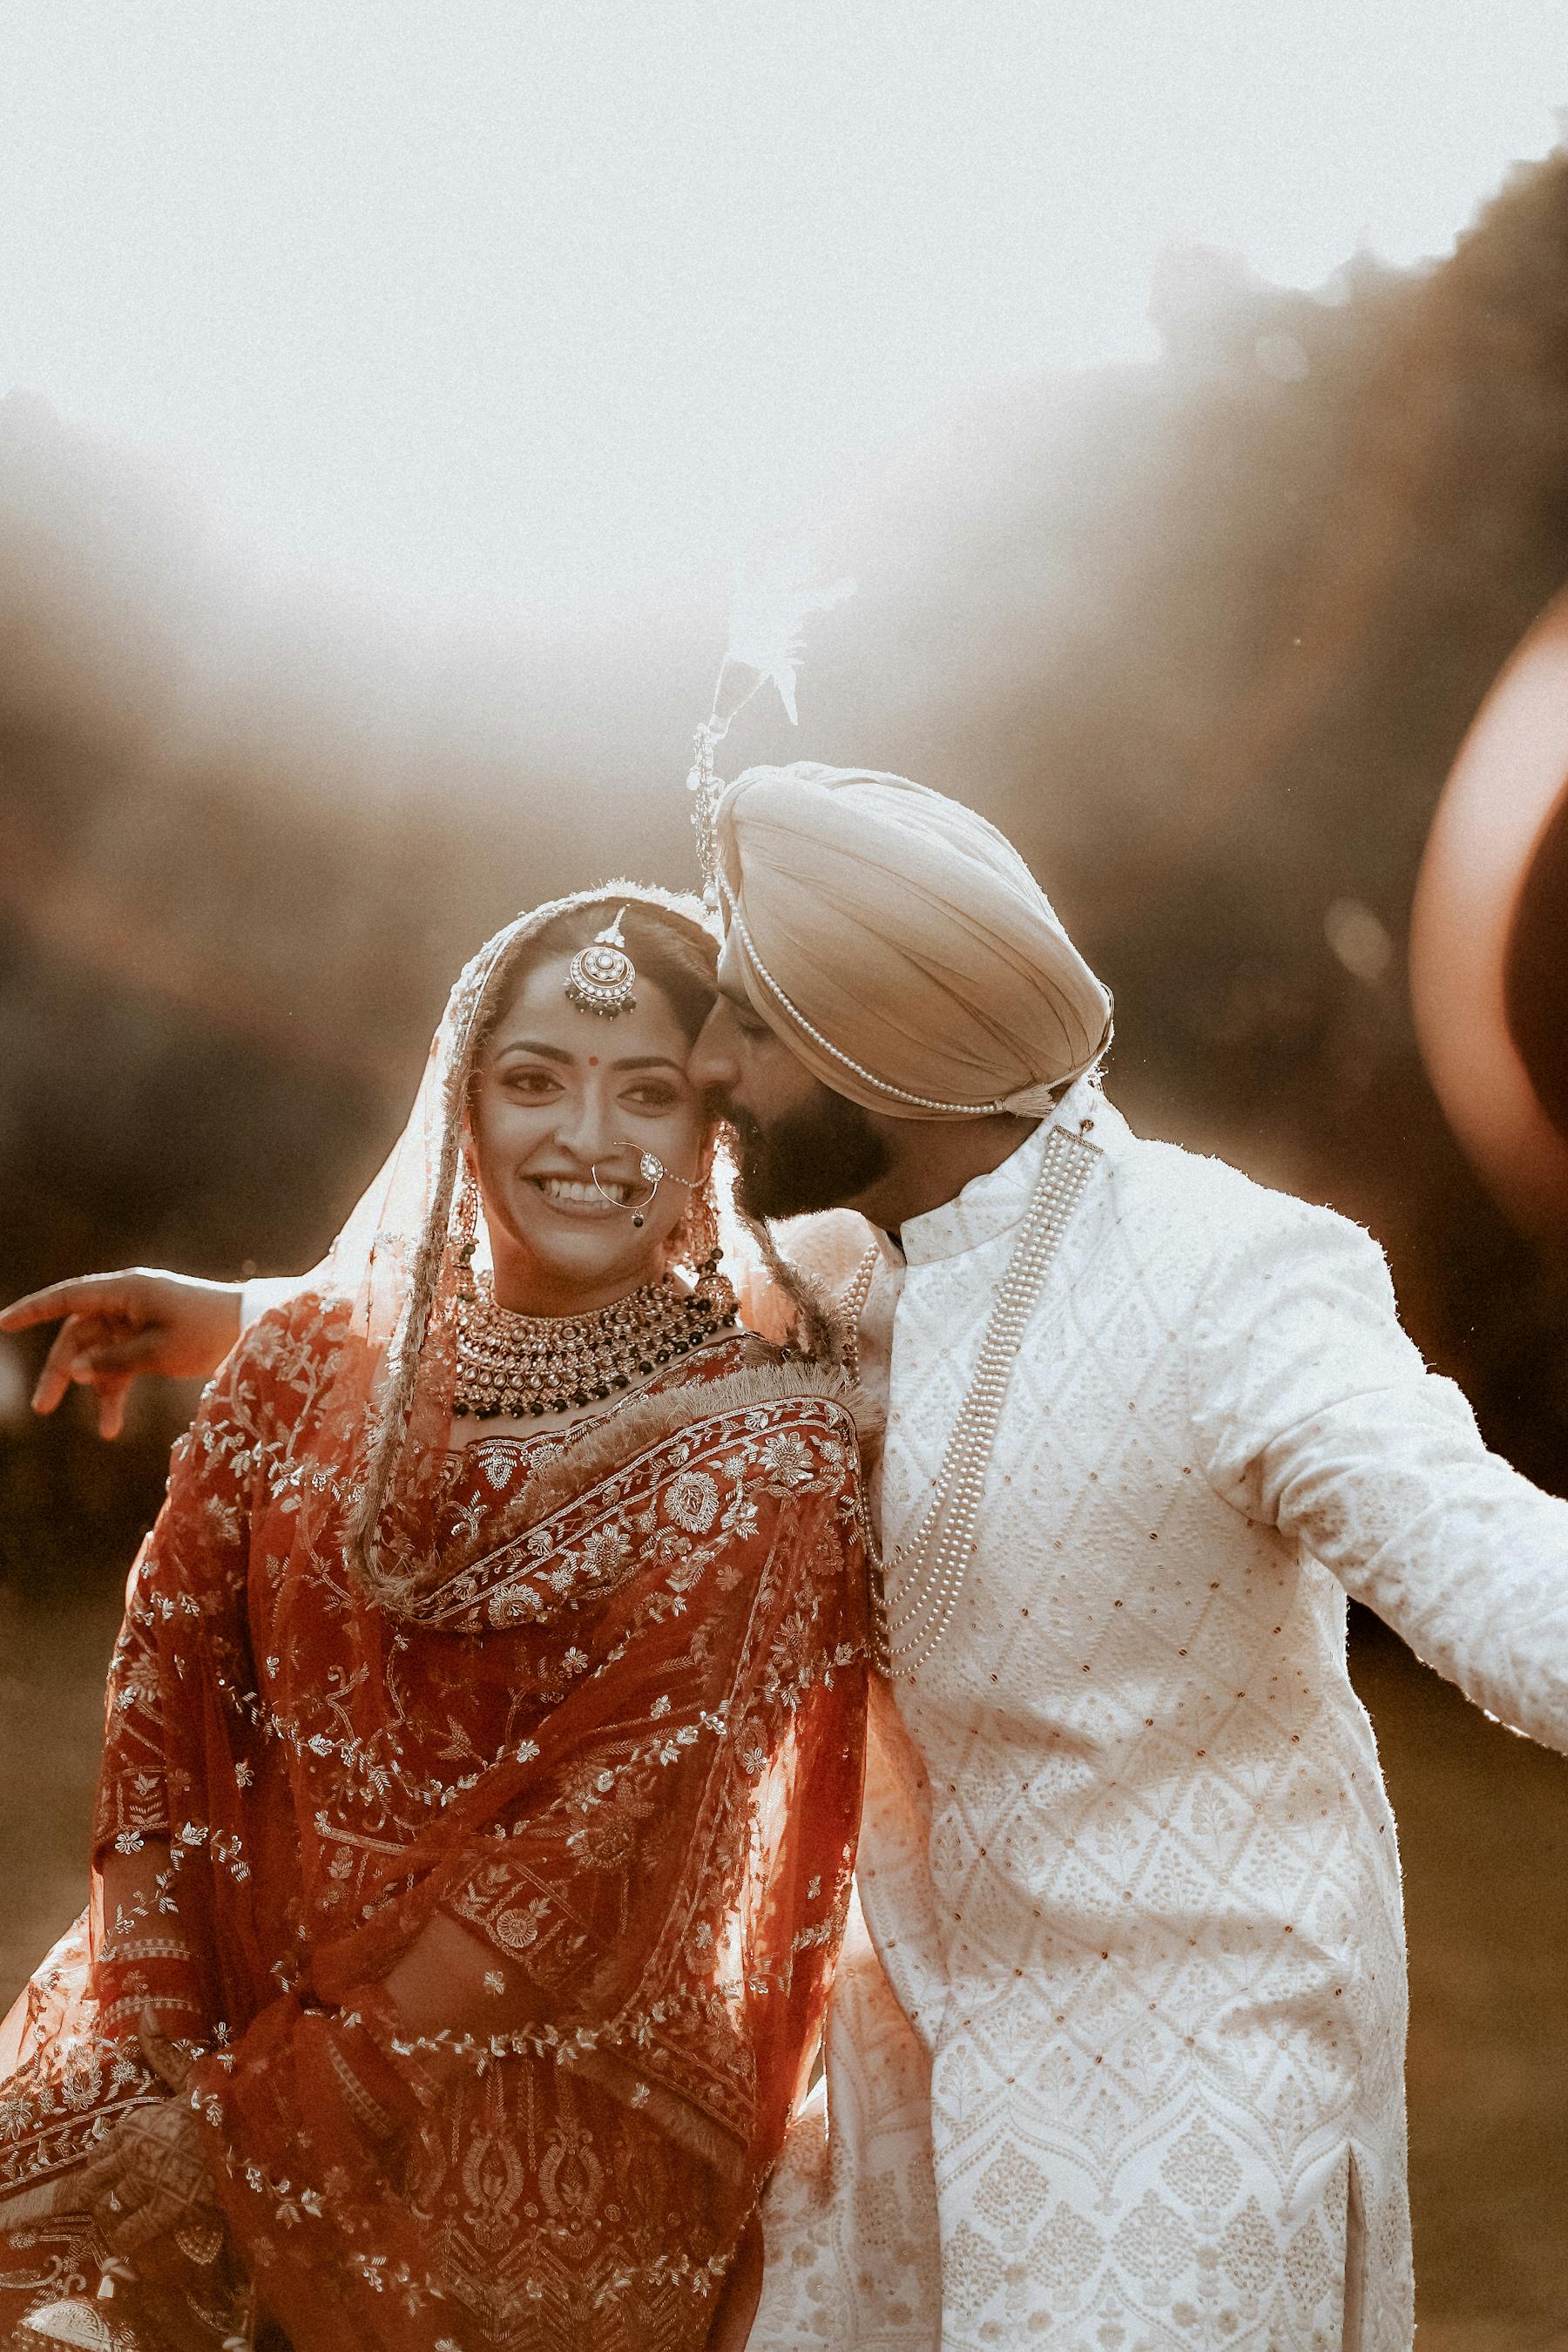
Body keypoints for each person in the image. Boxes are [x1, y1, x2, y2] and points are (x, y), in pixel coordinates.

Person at [11, 766, 1568, 2351]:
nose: (705, 1066)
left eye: (744, 1026)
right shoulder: (837, 1265)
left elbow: (1501, 1574)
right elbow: (563, 1330)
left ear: (870, 1043)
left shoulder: (1232, 1278)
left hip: (1193, 2094)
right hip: (890, 2094)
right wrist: (239, 1316)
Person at [0, 883, 871, 2352]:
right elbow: (169, 1659)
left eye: (644, 1094)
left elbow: (581, 1863)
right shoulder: (307, 1364)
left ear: (710, 1132)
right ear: (459, 1101)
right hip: (211, 2003)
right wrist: (152, 1998)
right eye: (534, 1082)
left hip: (539, 2098)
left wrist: (253, 2126)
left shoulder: (756, 1462)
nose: (587, 1143)